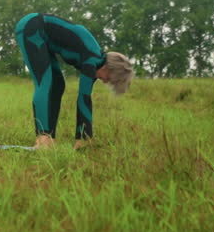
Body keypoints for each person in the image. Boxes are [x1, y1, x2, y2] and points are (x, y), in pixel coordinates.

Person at [14, 12, 134, 149]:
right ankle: (43, 138)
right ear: (110, 69)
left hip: (41, 33)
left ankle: (49, 138)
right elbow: (84, 98)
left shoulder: (95, 60)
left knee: (58, 85)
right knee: (45, 83)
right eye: (111, 79)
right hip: (33, 27)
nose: (106, 82)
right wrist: (84, 138)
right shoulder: (92, 59)